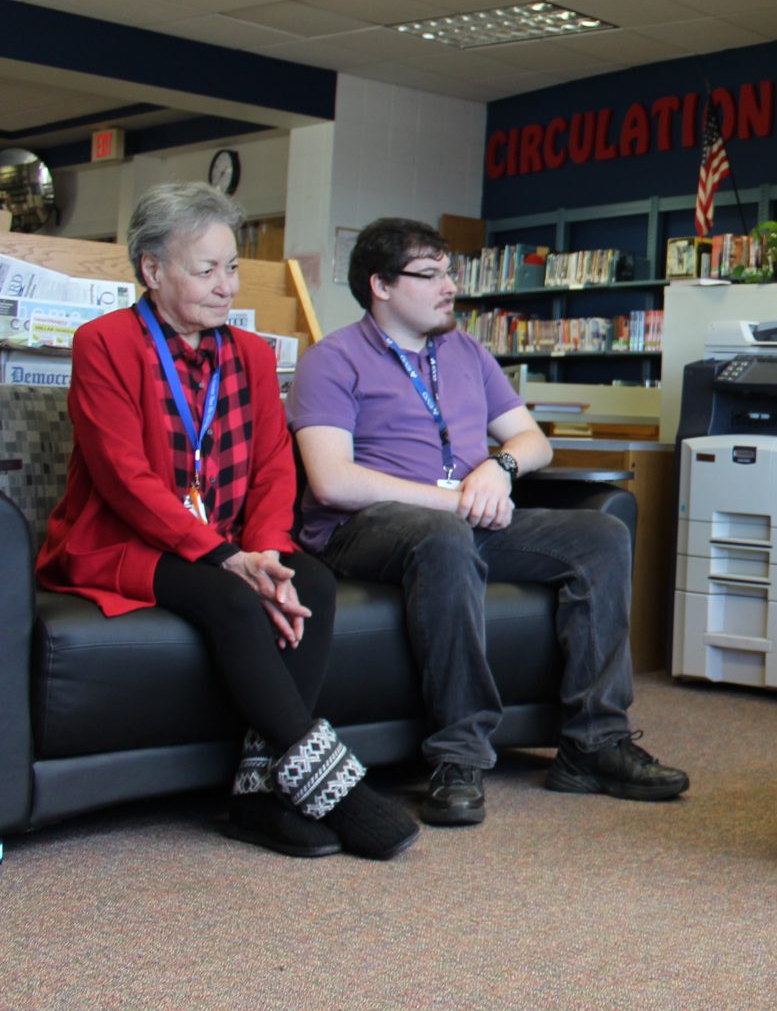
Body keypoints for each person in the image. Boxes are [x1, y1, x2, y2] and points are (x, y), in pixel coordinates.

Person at [36, 183, 418, 860]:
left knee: (312, 584)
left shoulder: (250, 353)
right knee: (235, 602)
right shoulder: (103, 344)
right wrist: (223, 558)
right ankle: (333, 786)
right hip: (126, 540)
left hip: (234, 541)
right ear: (153, 271)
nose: (225, 285)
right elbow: (124, 478)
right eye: (205, 269)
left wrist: (266, 551)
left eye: (232, 267)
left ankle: (257, 797)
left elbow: (275, 466)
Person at [290, 218, 687, 828]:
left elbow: (534, 442)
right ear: (381, 286)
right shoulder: (333, 360)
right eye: (431, 275)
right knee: (445, 535)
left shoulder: (468, 352)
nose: (450, 287)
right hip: (365, 528)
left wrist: (497, 470)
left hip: (469, 518)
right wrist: (450, 501)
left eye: (450, 272)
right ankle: (458, 756)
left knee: (601, 535)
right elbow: (332, 480)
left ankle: (593, 744)